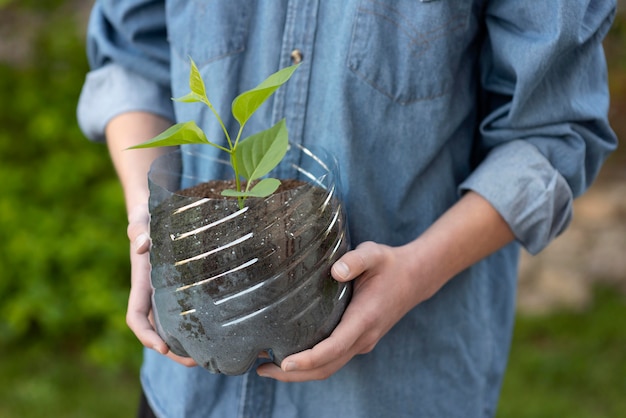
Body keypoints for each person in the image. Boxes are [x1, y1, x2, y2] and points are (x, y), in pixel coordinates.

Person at [77, 1, 617, 417]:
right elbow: (131, 57)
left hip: (392, 390)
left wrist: (418, 271)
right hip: (187, 393)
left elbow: (553, 134)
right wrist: (146, 220)